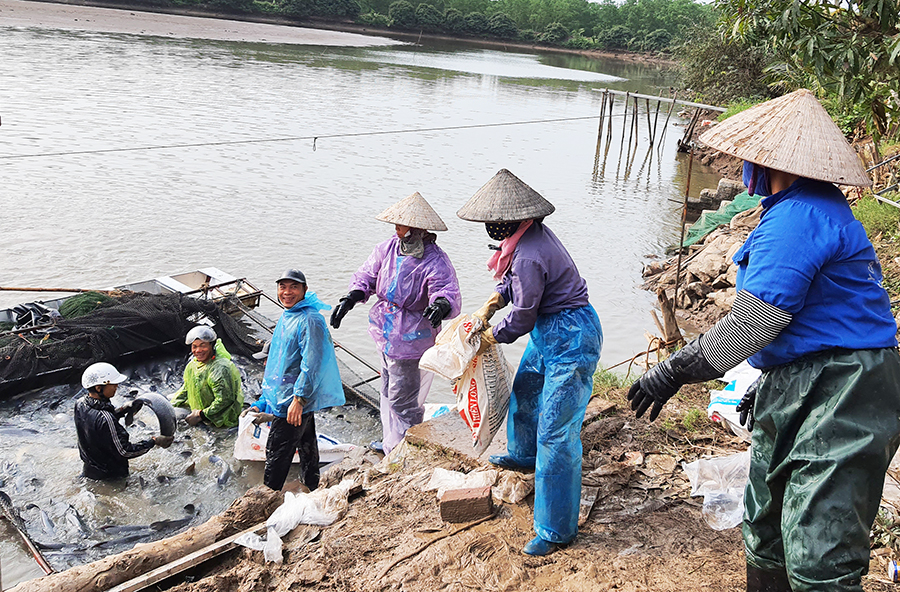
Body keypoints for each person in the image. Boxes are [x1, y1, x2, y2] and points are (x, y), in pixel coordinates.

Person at [627, 89, 900, 592]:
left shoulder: (799, 217)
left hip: (846, 389)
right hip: (810, 374)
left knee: (821, 541)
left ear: (767, 161)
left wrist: (674, 369)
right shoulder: (807, 207)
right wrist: (771, 380)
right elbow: (805, 319)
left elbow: (754, 326)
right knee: (767, 517)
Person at [457, 169, 603, 556]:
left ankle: (555, 529)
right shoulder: (527, 238)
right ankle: (523, 454)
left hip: (571, 336)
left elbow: (522, 316)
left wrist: (491, 334)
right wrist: (492, 302)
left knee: (557, 433)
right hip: (549, 329)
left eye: (496, 222)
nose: (492, 228)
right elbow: (516, 286)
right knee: (526, 390)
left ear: (513, 221)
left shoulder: (529, 254)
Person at [330, 192, 461, 454]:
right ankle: (391, 441)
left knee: (403, 400)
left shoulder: (434, 260)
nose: (396, 229)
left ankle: (404, 449)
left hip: (412, 338)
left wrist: (441, 304)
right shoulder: (388, 249)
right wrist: (351, 298)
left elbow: (446, 289)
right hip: (386, 331)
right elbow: (367, 275)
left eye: (401, 225)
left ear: (416, 228)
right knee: (388, 390)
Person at [252, 269, 345, 492]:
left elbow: (312, 363)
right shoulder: (289, 314)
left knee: (276, 454)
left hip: (294, 398)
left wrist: (299, 399)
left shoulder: (309, 319)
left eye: (294, 287)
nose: (287, 292)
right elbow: (279, 359)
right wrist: (265, 400)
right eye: (282, 287)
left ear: (304, 290)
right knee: (306, 445)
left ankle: (267, 499)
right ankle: (311, 485)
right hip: (287, 393)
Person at [75, 362, 173, 480]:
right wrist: (153, 441)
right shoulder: (106, 418)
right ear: (98, 388)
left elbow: (98, 425)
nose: (116, 386)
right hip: (111, 476)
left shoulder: (80, 403)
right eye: (113, 384)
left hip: (90, 469)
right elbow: (124, 451)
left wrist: (123, 410)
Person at [170, 325, 244, 428]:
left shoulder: (220, 368)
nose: (198, 350)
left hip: (222, 419)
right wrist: (171, 405)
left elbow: (224, 400)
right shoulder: (192, 365)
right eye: (194, 346)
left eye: (203, 345)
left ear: (211, 346)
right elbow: (187, 388)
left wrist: (202, 415)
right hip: (201, 413)